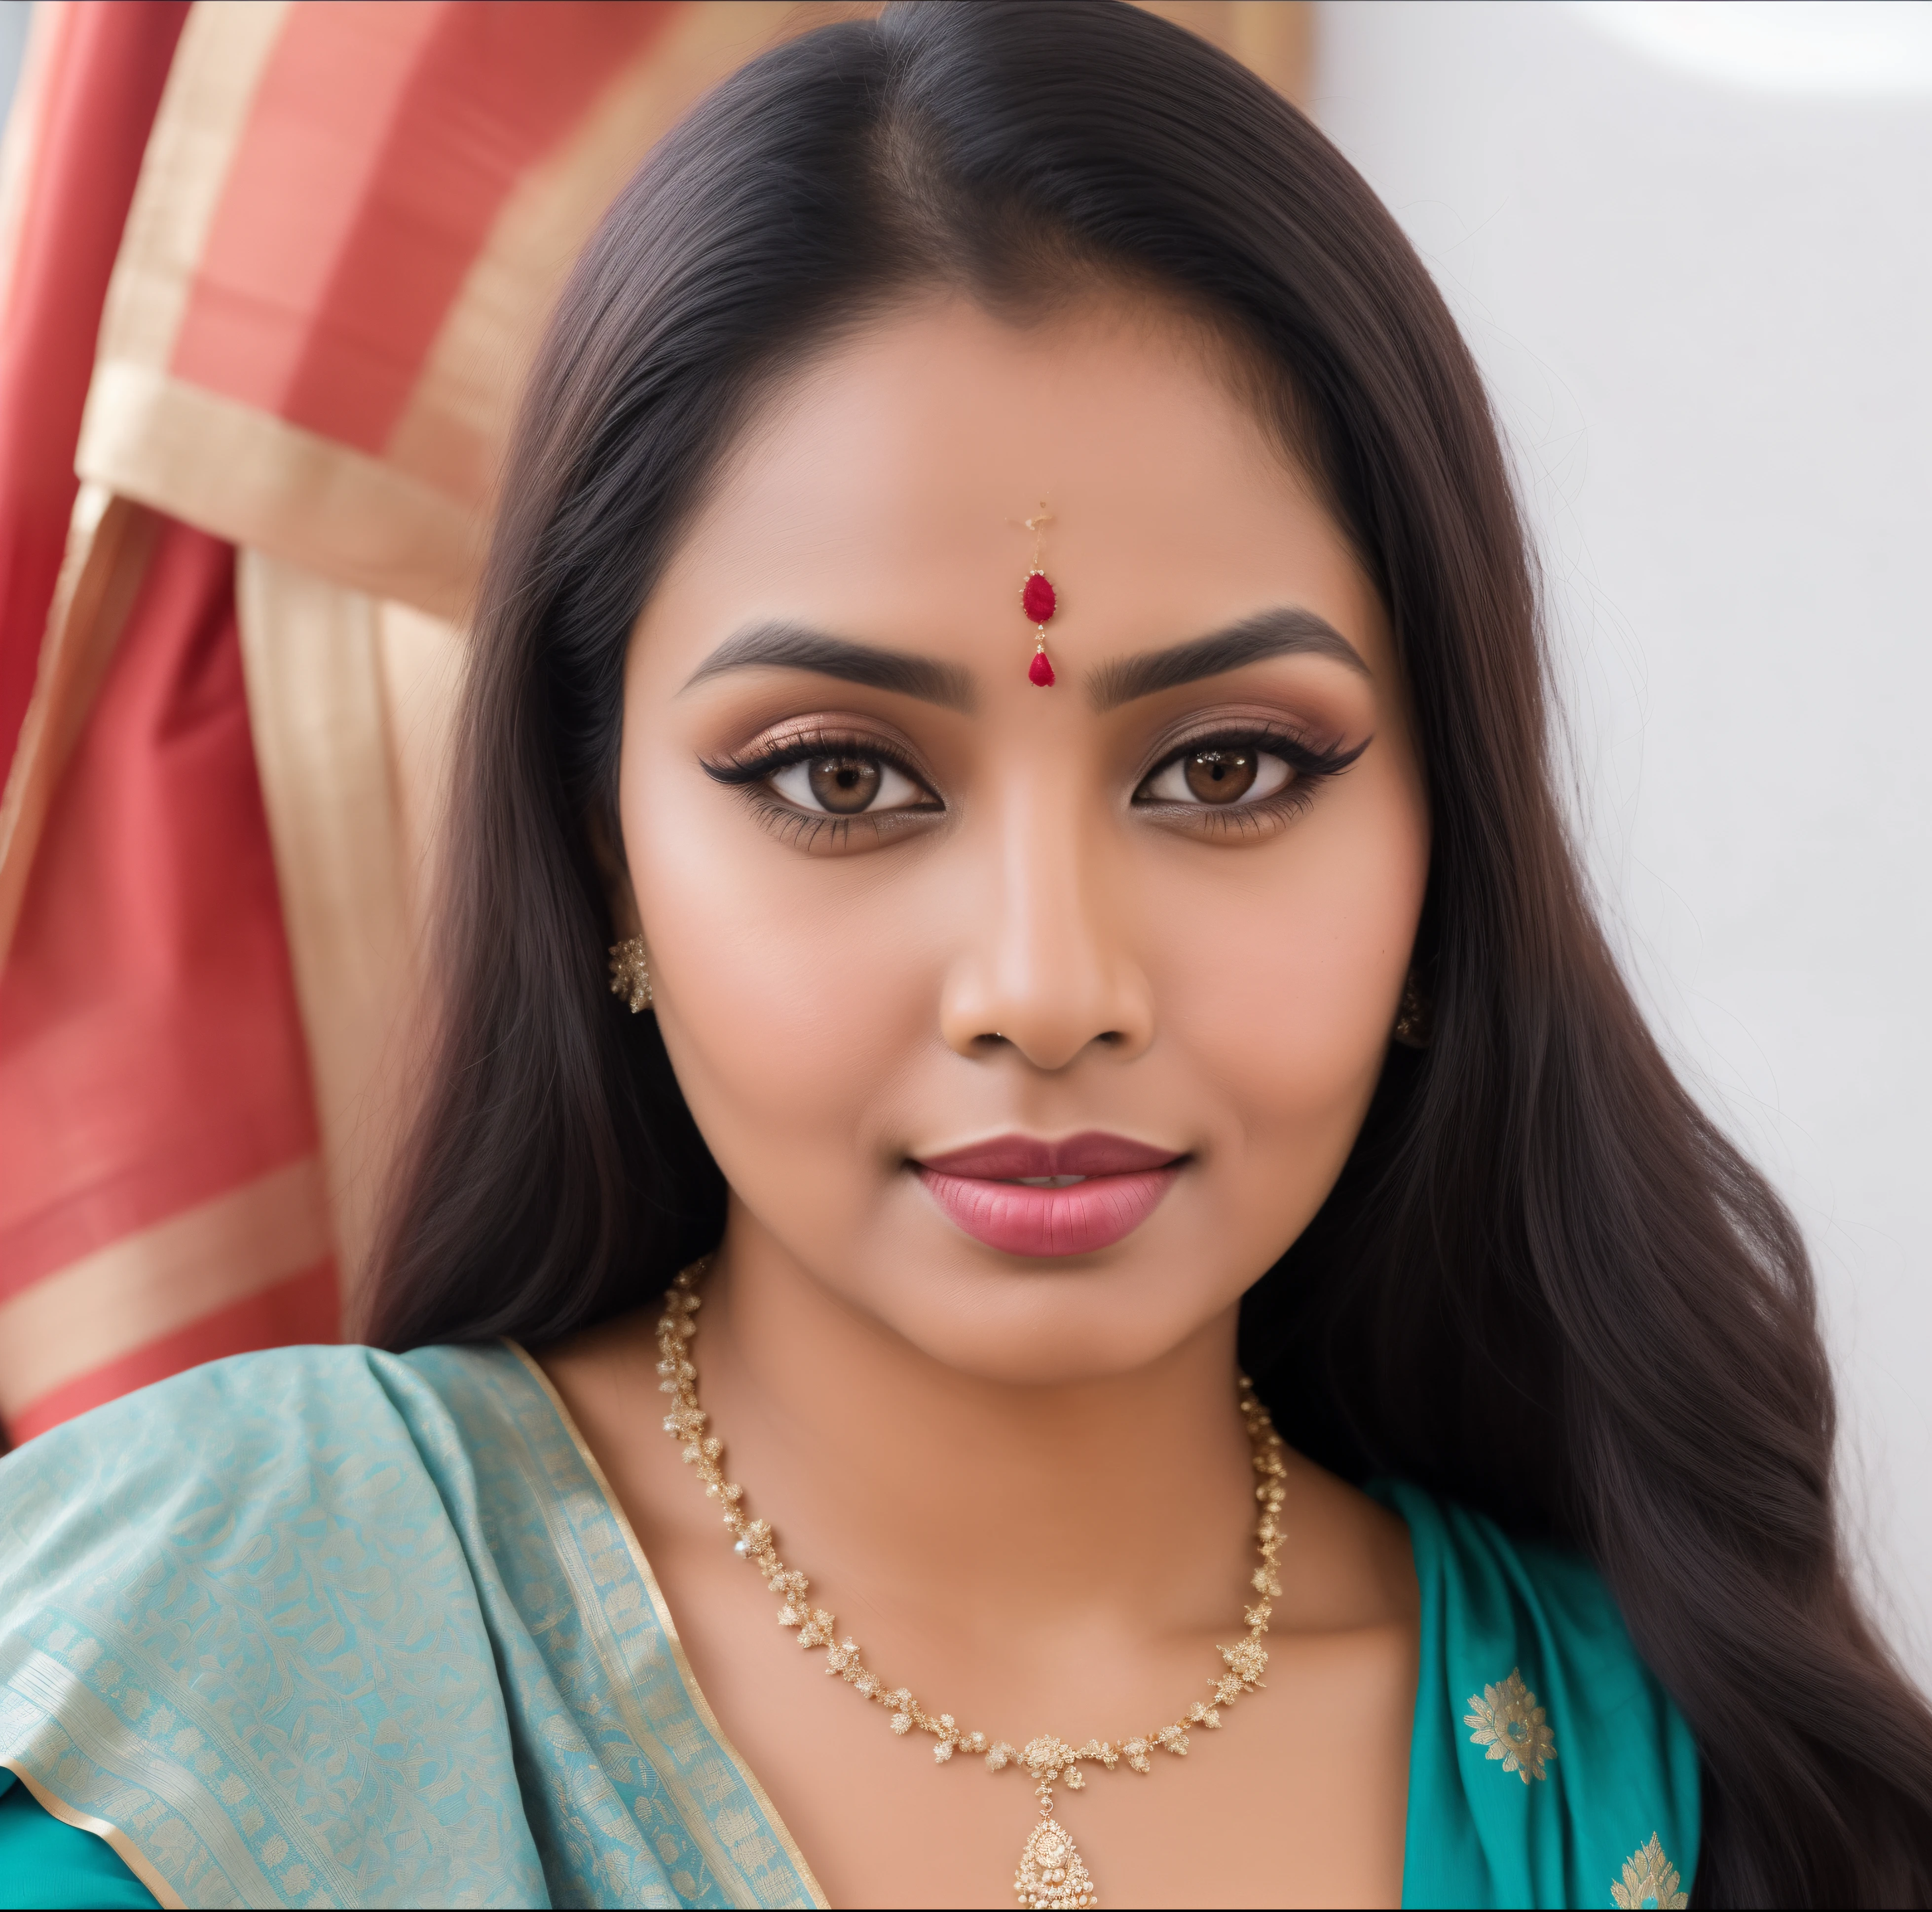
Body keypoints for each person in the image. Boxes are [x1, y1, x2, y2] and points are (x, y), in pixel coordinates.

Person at [2, 4, 1929, 1905]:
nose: (1045, 977)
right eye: (840, 773)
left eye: (1226, 767)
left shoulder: (1677, 1768)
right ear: (602, 852)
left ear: (1445, 843)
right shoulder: (209, 1665)